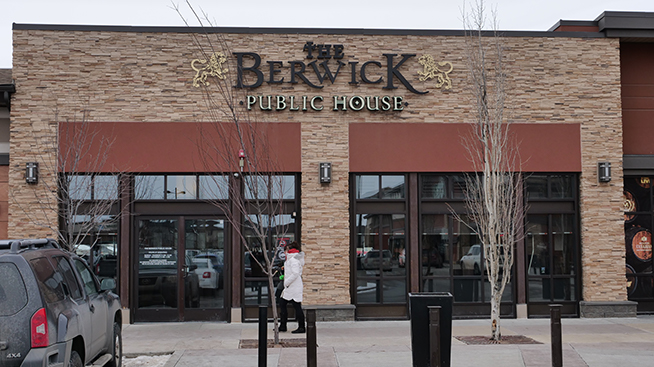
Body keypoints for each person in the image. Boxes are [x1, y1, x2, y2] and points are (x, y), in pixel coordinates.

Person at [279, 241, 305, 334]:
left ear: (289, 250)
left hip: (294, 287)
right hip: (290, 287)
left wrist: (286, 282)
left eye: (285, 250)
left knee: (297, 306)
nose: (284, 252)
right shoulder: (290, 260)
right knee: (282, 304)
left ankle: (301, 327)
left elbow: (295, 273)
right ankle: (283, 326)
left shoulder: (293, 260)